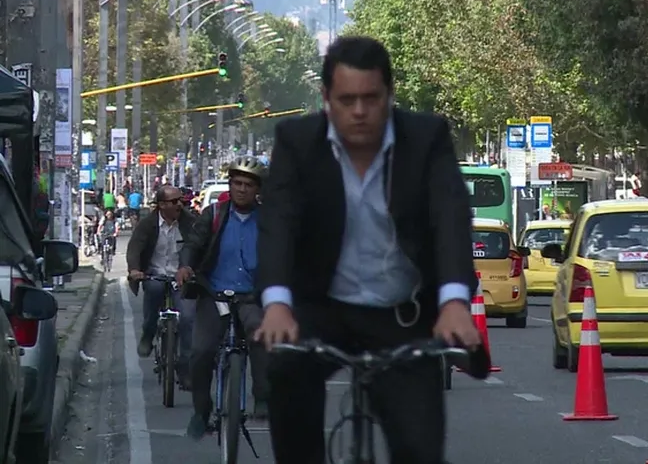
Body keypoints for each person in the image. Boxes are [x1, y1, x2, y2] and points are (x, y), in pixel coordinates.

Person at [254, 36, 482, 464]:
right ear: (326, 99)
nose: (359, 112)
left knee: (419, 446)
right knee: (286, 372)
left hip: (402, 312)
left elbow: (449, 218)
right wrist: (277, 305)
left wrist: (454, 301)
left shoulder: (427, 138)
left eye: (371, 98)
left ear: (389, 95)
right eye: (346, 100)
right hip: (321, 309)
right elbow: (278, 224)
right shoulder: (297, 142)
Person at [175, 156, 270, 439]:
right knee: (202, 351)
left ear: (258, 190)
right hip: (214, 293)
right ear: (230, 185)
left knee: (258, 336)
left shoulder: (269, 220)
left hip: (251, 296)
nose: (242, 189)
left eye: (248, 185)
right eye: (237, 183)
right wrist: (186, 265)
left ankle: (262, 397)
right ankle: (201, 412)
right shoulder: (214, 214)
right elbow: (194, 244)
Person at [125, 185, 198, 383]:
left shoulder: (190, 223)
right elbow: (135, 248)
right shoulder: (147, 225)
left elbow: (198, 246)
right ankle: (148, 334)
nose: (180, 205)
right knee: (154, 293)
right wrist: (134, 270)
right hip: (154, 275)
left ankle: (185, 366)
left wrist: (192, 269)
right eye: (175, 202)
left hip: (180, 278)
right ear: (162, 205)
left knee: (188, 317)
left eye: (181, 201)